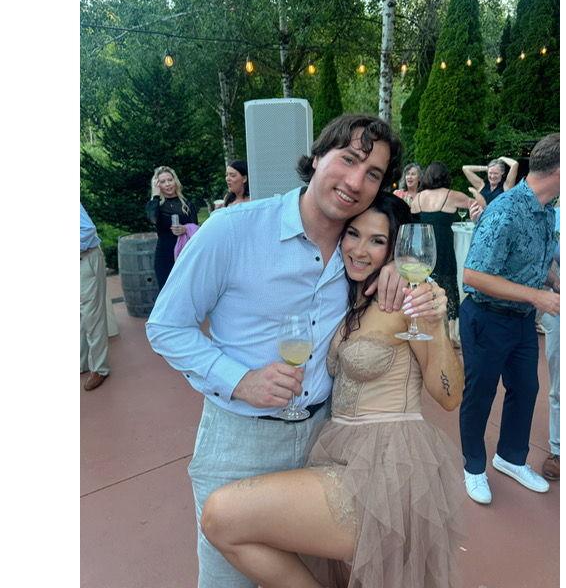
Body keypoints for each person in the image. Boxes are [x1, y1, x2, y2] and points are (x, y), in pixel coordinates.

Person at [146, 114, 431, 588]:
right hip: (241, 439)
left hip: (324, 441)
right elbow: (166, 326)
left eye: (373, 173)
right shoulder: (233, 230)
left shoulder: (357, 250)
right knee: (228, 580)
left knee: (311, 571)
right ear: (317, 157)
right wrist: (240, 379)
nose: (355, 181)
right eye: (348, 159)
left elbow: (394, 254)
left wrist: (395, 267)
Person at [200, 192, 465, 588]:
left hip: (387, 466)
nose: (359, 250)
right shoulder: (348, 296)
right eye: (353, 234)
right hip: (339, 450)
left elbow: (449, 397)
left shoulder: (407, 301)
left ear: (394, 249)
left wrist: (436, 324)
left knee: (223, 515)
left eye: (377, 241)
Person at [458, 133, 560, 505]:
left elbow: (535, 258)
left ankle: (510, 458)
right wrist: (537, 296)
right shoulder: (506, 209)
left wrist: (556, 282)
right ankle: (473, 466)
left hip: (519, 319)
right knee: (481, 393)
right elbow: (473, 275)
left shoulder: (546, 210)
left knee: (526, 389)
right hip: (486, 317)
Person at [411, 161, 472, 338]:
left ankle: (424, 329)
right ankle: (450, 334)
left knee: (423, 289)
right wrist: (478, 189)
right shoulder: (451, 195)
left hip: (423, 250)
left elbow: (412, 223)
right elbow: (479, 203)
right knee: (449, 289)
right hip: (444, 248)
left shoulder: (418, 197)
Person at [145, 165, 198, 290]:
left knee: (187, 289)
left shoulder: (187, 204)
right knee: (167, 291)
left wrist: (185, 229)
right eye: (163, 182)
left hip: (186, 253)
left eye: (170, 180)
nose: (168, 184)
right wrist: (155, 195)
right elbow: (152, 219)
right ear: (158, 185)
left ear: (175, 181)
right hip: (165, 255)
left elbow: (196, 230)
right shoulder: (155, 205)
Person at [80, 203, 110, 391]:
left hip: (85, 259)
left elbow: (88, 230)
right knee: (79, 316)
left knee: (93, 316)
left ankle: (100, 369)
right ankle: (81, 362)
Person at [541, 203, 560, 480]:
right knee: (560, 382)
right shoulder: (553, 213)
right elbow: (540, 255)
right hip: (561, 302)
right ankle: (559, 448)